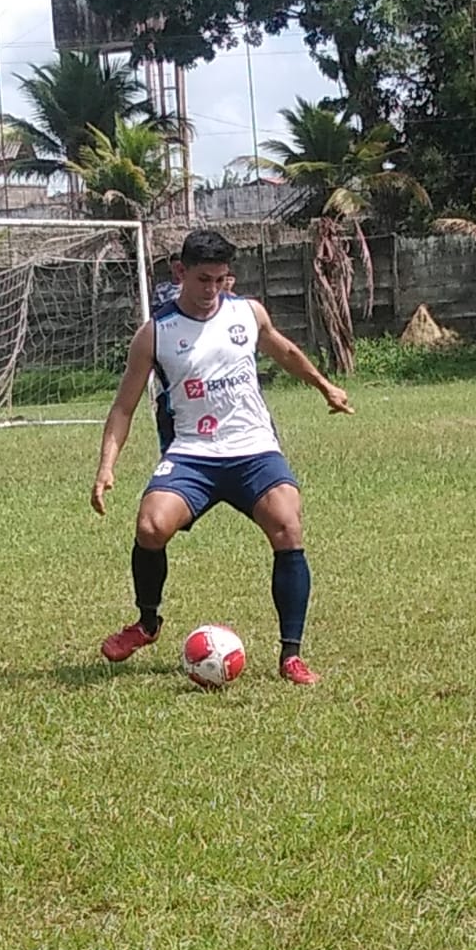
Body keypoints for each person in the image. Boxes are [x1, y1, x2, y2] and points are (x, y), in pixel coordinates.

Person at [92, 229, 353, 685]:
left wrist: (325, 386)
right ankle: (147, 623)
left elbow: (286, 351)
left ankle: (290, 656)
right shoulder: (155, 334)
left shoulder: (247, 314)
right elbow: (123, 406)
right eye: (203, 279)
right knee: (151, 527)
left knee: (288, 525)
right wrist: (106, 467)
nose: (212, 289)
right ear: (180, 273)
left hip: (253, 449)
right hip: (193, 453)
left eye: (221, 279)